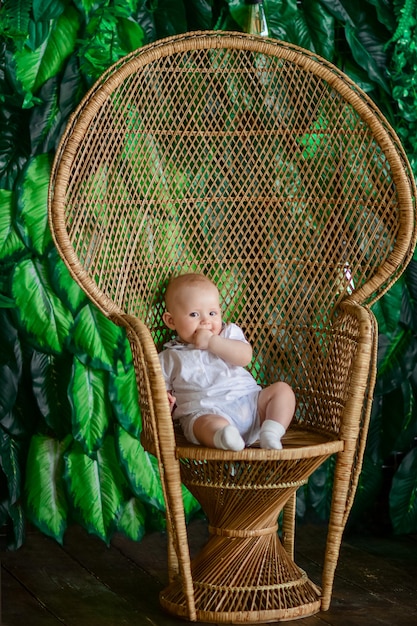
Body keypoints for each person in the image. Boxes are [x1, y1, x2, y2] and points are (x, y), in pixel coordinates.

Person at [158, 273, 295, 451]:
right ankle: (224, 437)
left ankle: (271, 432)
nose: (206, 321)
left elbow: (245, 357)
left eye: (212, 313)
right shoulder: (169, 358)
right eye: (194, 314)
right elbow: (159, 390)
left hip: (251, 404)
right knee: (202, 425)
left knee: (282, 391)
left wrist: (213, 342)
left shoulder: (228, 334)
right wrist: (164, 402)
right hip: (207, 412)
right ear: (171, 320)